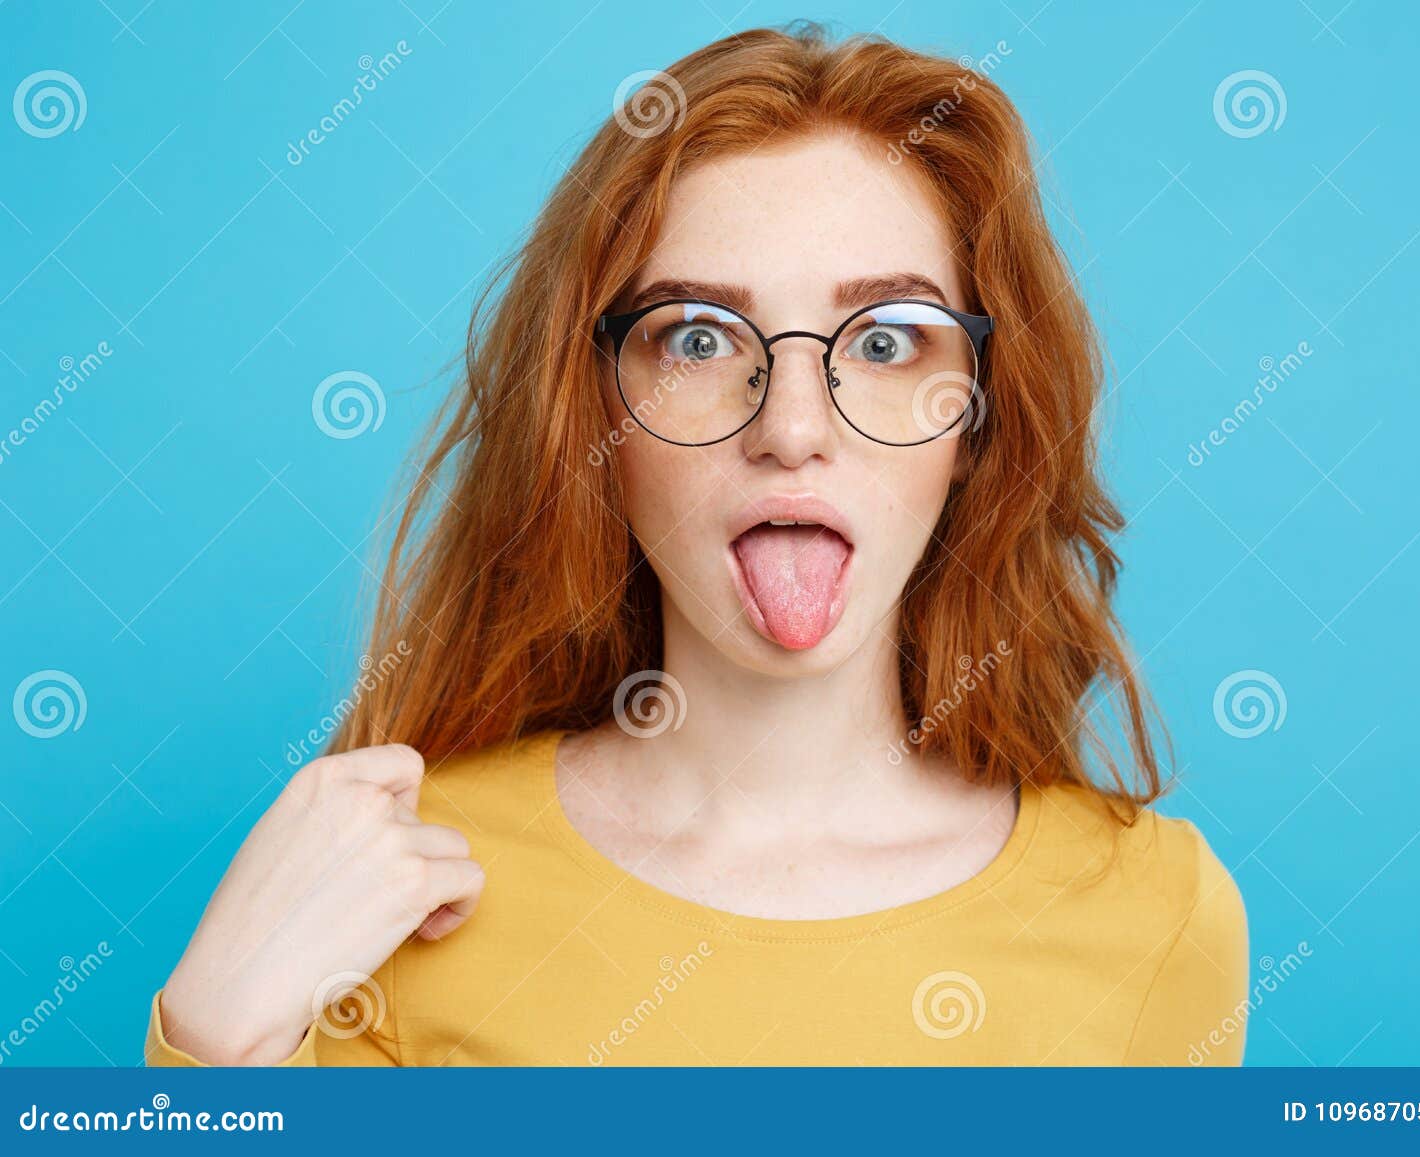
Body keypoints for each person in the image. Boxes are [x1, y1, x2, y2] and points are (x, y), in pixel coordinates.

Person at [146, 23, 1248, 1067]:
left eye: (885, 340)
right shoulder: (391, 882)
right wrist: (210, 1053)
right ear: (597, 423)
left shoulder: (1153, 910)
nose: (792, 430)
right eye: (698, 336)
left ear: (974, 420)